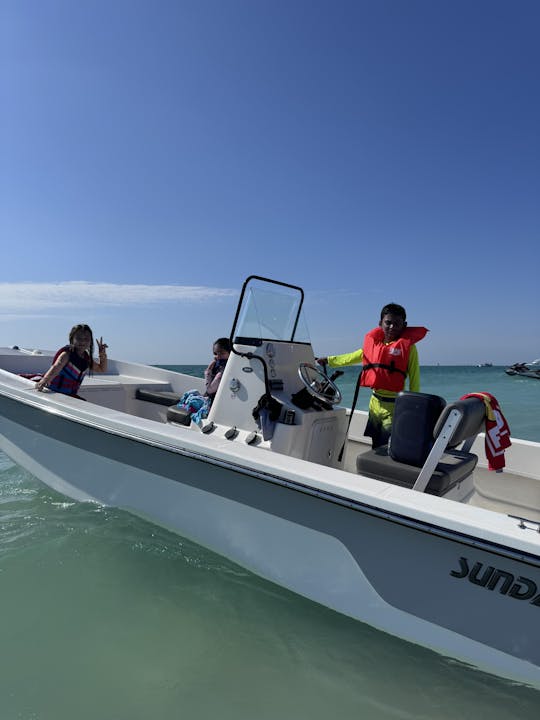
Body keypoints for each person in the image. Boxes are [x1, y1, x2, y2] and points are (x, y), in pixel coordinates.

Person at [318, 303, 427, 448]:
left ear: (404, 325)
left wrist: (414, 407)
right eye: (388, 323)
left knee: (387, 445)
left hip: (393, 406)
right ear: (380, 323)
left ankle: (385, 469)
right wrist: (329, 360)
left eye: (397, 324)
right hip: (374, 404)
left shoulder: (409, 348)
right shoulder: (373, 346)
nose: (392, 327)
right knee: (375, 443)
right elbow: (351, 357)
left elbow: (415, 379)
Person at [35, 324, 108, 398]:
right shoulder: (67, 354)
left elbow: (101, 369)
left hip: (69, 395)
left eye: (86, 339)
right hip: (53, 391)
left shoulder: (87, 359)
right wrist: (45, 380)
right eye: (79, 338)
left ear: (90, 341)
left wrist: (102, 355)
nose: (82, 341)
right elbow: (56, 366)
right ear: (72, 339)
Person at [176, 337, 231, 426]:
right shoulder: (224, 367)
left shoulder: (222, 372)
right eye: (216, 353)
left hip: (214, 406)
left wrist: (208, 371)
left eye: (222, 353)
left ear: (230, 353)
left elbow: (209, 390)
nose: (218, 356)